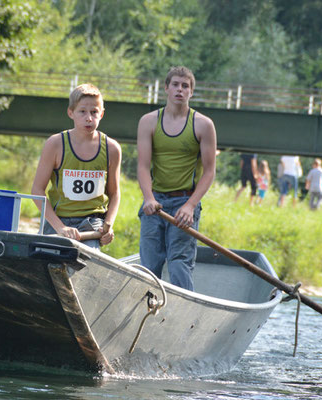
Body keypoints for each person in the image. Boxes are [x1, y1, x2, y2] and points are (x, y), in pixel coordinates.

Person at [137, 66, 217, 291]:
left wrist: (190, 206)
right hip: (155, 204)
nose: (180, 90)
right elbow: (143, 166)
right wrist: (148, 198)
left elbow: (209, 171)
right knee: (149, 266)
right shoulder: (148, 121)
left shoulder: (203, 124)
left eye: (185, 86)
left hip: (184, 204)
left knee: (179, 264)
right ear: (166, 88)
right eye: (175, 85)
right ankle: (147, 309)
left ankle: (183, 315)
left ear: (191, 92)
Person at [31, 83, 122, 248]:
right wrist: (60, 227)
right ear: (70, 113)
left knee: (86, 265)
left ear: (101, 114)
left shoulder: (112, 148)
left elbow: (114, 193)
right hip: (59, 220)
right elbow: (37, 190)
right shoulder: (55, 144)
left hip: (93, 222)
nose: (89, 118)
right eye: (82, 112)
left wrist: (108, 224)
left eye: (94, 112)